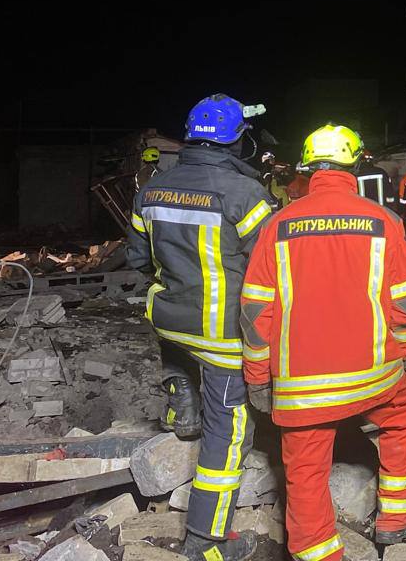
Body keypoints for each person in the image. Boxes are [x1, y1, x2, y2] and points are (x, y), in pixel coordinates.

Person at [241, 124, 406, 561]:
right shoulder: (383, 221)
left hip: (302, 385)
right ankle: (397, 519)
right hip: (374, 376)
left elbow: (254, 313)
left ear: (308, 169)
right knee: (404, 420)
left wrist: (257, 377)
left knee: (304, 472)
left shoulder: (278, 225)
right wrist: (397, 350)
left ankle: (318, 553)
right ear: (356, 165)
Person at [125, 94, 275, 561]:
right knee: (228, 433)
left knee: (180, 354)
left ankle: (182, 410)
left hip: (170, 322)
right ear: (237, 140)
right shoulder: (246, 195)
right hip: (222, 334)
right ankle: (205, 541)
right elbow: (270, 270)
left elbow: (137, 260)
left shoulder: (151, 190)